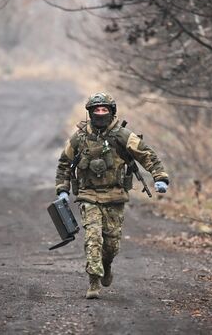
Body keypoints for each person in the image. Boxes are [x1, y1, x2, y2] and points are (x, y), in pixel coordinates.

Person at [55, 92, 169, 299]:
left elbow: (147, 155)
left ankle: (106, 265)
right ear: (90, 113)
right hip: (88, 195)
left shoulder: (122, 136)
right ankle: (94, 281)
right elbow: (64, 163)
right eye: (96, 110)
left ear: (111, 111)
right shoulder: (80, 138)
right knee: (93, 238)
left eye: (104, 109)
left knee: (112, 245)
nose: (100, 113)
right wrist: (62, 190)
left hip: (115, 196)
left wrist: (160, 177)